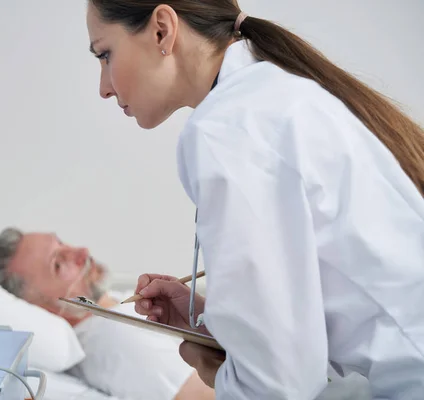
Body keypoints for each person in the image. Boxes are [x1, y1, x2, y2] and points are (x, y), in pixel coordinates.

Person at [85, 1, 424, 399]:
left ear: (162, 29)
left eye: (105, 54)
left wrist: (220, 374)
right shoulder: (274, 95)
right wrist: (220, 327)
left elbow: (277, 386)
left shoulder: (227, 127)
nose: (104, 87)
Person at [0, 227, 216, 400]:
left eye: (62, 244)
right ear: (36, 306)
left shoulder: (113, 314)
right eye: (58, 264)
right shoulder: (115, 335)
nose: (81, 251)